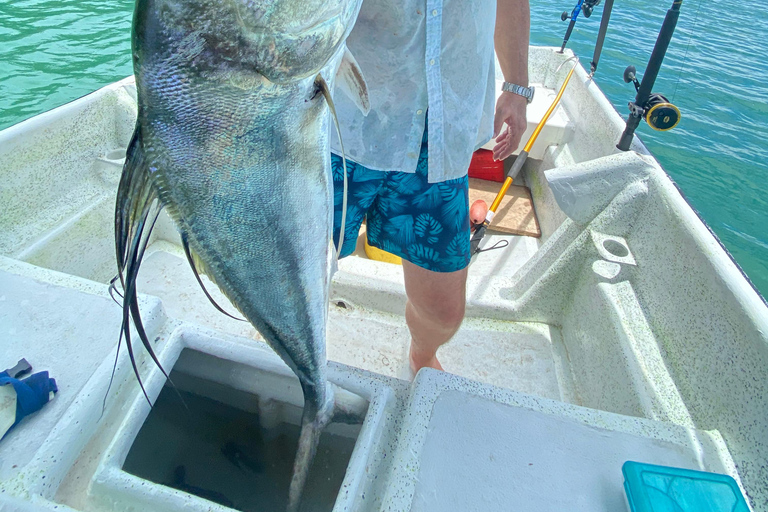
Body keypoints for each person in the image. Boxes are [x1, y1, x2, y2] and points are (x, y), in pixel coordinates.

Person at [330, 0, 531, 374]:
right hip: (338, 124)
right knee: (292, 269)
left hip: (436, 138)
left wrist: (517, 88)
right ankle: (281, 338)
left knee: (443, 313)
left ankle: (421, 356)